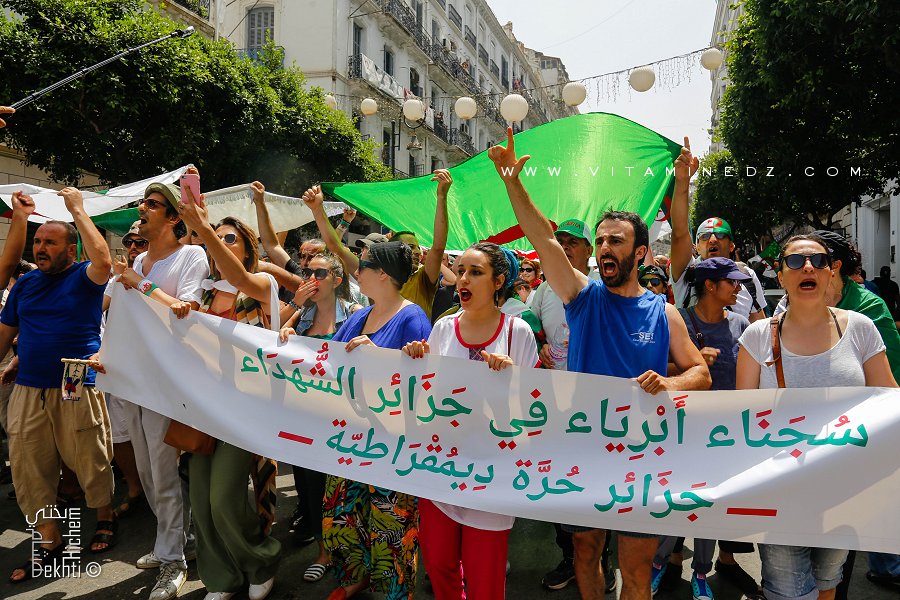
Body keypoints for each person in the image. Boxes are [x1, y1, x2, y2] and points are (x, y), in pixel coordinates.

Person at [488, 127, 711, 600]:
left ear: (641, 252)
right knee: (586, 554)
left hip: (642, 456)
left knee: (634, 570)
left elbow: (701, 374)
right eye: (602, 241)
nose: (606, 248)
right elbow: (541, 237)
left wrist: (671, 384)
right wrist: (512, 181)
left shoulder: (663, 312)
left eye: (617, 241)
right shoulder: (581, 296)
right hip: (582, 451)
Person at [736, 234, 897, 600]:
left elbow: (889, 400)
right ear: (780, 275)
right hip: (779, 494)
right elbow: (740, 419)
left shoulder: (860, 329)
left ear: (830, 272)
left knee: (828, 583)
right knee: (788, 591)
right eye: (795, 262)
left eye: (818, 261)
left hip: (844, 489)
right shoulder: (756, 337)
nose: (807, 267)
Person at [403, 242, 539, 600]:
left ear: (499, 282)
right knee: (438, 564)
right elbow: (426, 393)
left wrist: (513, 380)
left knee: (485, 579)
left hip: (491, 477)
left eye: (475, 272)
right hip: (441, 469)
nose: (463, 279)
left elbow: (536, 411)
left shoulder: (517, 333)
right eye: (461, 270)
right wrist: (413, 359)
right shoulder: (444, 328)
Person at [1, 187, 116, 582]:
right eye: (37, 241)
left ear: (71, 250)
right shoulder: (25, 286)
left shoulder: (84, 277)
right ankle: (51, 538)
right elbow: (5, 331)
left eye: (51, 241)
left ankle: (104, 515)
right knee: (28, 462)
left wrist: (77, 210)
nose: (41, 248)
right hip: (29, 384)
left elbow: (104, 259)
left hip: (76, 378)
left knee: (89, 451)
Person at [176, 190, 282, 600]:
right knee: (201, 503)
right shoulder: (201, 293)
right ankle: (222, 578)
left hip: (245, 407)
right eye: (215, 238)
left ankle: (261, 560)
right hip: (203, 407)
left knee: (223, 499)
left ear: (248, 248)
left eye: (229, 238)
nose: (219, 242)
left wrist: (202, 226)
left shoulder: (261, 285)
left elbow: (237, 276)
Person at [324, 240, 432, 600]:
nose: (356, 271)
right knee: (343, 513)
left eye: (364, 265)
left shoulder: (412, 317)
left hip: (392, 444)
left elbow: (423, 385)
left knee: (391, 525)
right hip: (351, 436)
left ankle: (393, 592)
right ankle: (356, 576)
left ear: (383, 274)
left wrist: (380, 358)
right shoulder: (359, 315)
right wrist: (291, 339)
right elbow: (326, 357)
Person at [117, 178, 209, 600]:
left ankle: (174, 561)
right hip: (132, 379)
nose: (143, 207)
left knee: (164, 472)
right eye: (143, 202)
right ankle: (172, 541)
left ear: (174, 218)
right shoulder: (135, 264)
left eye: (153, 204)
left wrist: (140, 286)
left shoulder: (191, 255)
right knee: (146, 471)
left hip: (167, 383)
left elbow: (184, 312)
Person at [653, 257, 758, 600]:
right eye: (732, 282)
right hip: (678, 433)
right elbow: (657, 371)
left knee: (708, 506)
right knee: (672, 502)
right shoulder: (678, 321)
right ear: (710, 286)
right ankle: (657, 565)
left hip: (725, 439)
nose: (739, 288)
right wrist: (693, 361)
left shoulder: (742, 324)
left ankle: (701, 572)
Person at [278, 252, 361, 581]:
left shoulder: (354, 314)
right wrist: (288, 323)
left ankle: (352, 556)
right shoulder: (300, 317)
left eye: (320, 273)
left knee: (342, 489)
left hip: (343, 422)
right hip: (306, 419)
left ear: (338, 281)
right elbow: (264, 347)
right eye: (307, 272)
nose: (311, 278)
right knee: (311, 489)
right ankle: (324, 553)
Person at [304, 169, 450, 317]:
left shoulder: (423, 279)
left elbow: (438, 247)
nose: (417, 252)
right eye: (410, 247)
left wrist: (442, 197)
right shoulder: (373, 272)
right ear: (392, 254)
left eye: (418, 248)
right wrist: (317, 209)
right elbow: (336, 248)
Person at [669, 138, 766, 322]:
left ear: (731, 246)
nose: (713, 239)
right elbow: (680, 232)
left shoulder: (746, 276)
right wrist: (682, 181)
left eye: (720, 235)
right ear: (696, 247)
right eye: (704, 236)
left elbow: (759, 328)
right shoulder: (687, 273)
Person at [103, 222, 148, 519]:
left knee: (161, 438)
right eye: (129, 242)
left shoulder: (161, 273)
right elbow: (97, 307)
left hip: (155, 371)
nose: (133, 247)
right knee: (119, 434)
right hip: (119, 368)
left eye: (140, 242)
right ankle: (136, 489)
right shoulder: (116, 279)